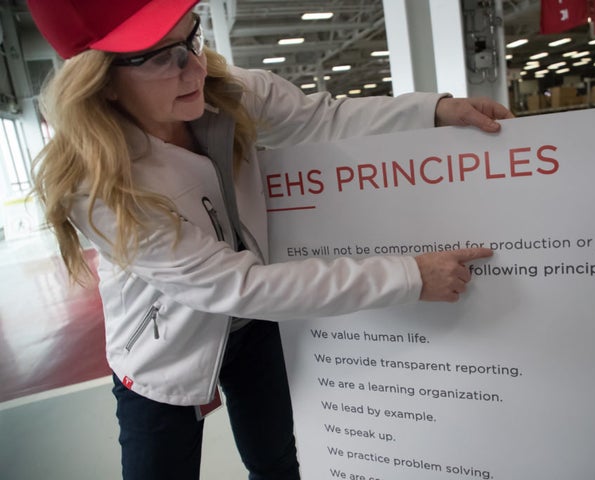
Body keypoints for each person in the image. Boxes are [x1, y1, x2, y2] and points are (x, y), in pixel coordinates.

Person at [26, 1, 514, 479]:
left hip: (255, 326)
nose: (195, 69)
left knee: (277, 460)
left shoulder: (227, 92)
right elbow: (238, 286)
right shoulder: (98, 183)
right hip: (162, 344)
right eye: (158, 56)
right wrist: (409, 276)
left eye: (190, 36)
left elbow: (322, 118)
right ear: (101, 82)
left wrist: (436, 110)